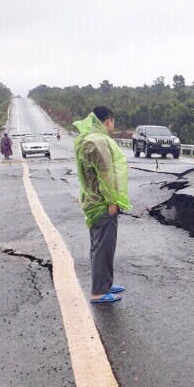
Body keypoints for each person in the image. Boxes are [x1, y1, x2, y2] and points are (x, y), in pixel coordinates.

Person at [73, 106, 131, 303]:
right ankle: (99, 291)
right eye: (113, 122)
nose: (113, 126)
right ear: (108, 122)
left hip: (92, 200)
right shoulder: (98, 141)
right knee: (103, 247)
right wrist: (111, 201)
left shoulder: (87, 138)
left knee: (100, 245)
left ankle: (104, 283)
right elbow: (106, 174)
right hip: (102, 202)